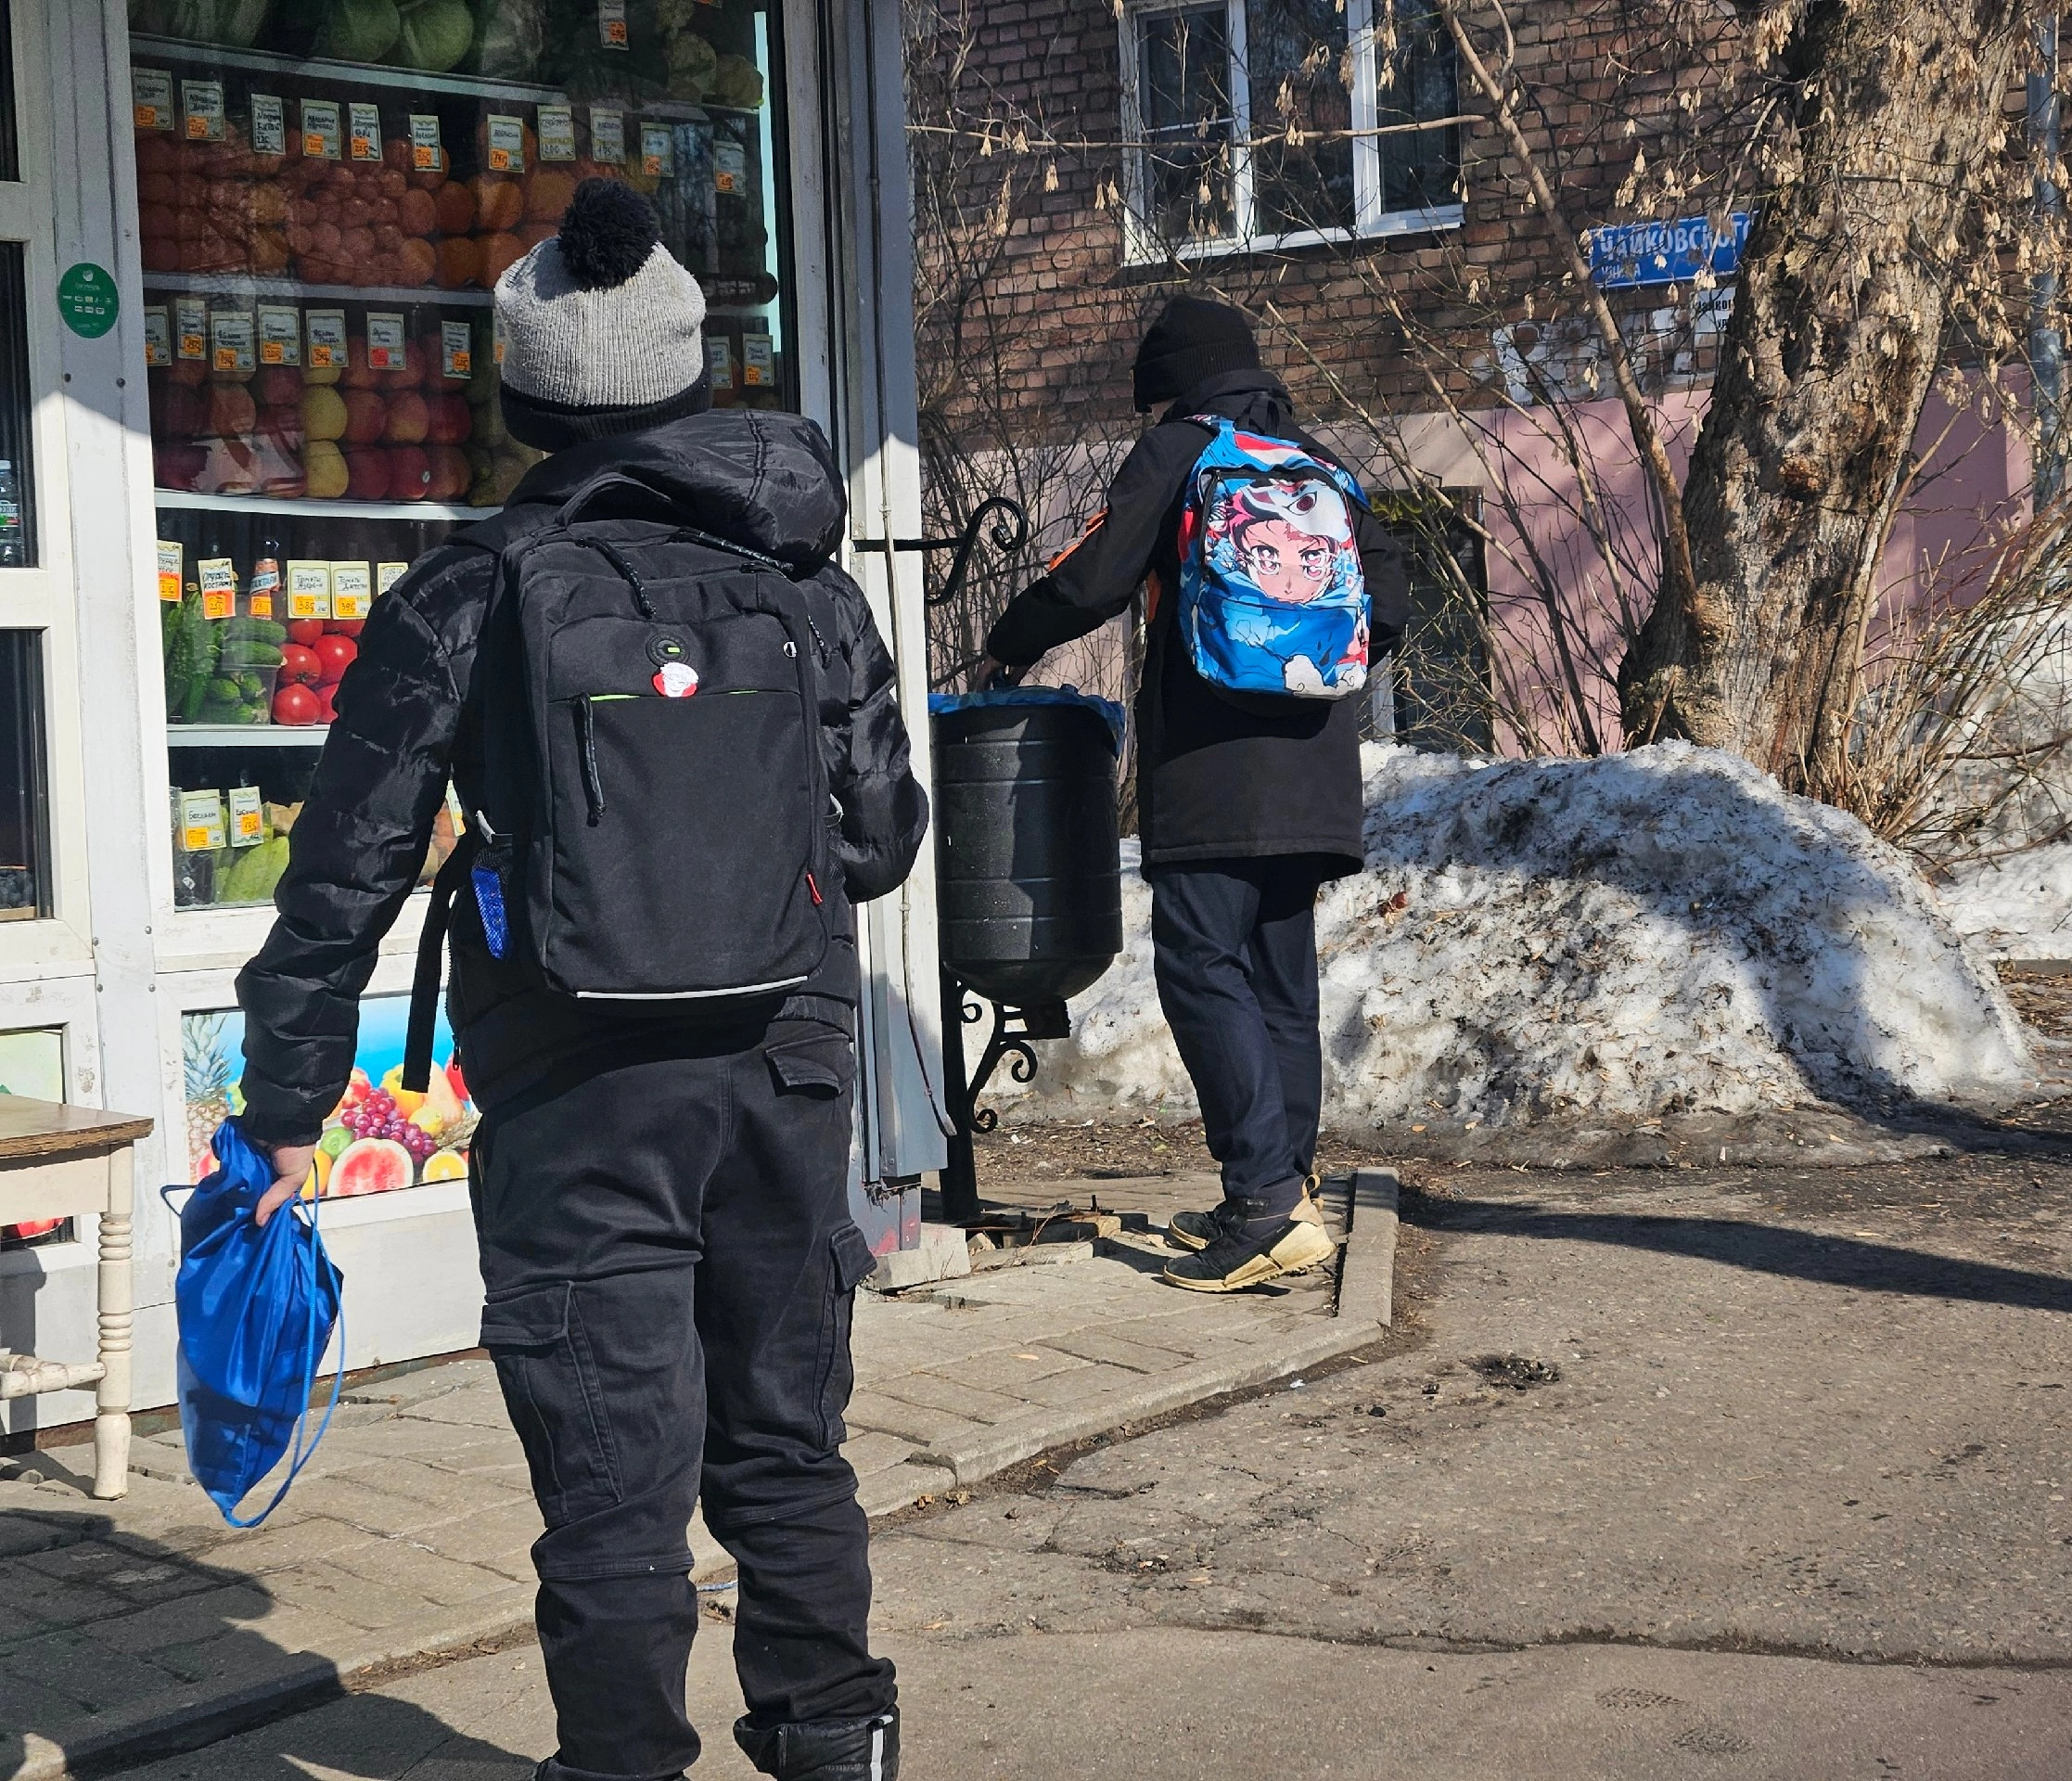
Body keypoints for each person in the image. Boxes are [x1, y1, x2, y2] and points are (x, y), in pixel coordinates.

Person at [233, 181, 927, 1781]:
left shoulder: (469, 592)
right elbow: (883, 838)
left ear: (526, 393)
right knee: (783, 1447)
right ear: (688, 372)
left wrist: (284, 1107)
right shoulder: (806, 580)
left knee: (616, 1481)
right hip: (785, 1065)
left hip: (571, 1087)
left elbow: (342, 871)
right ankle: (837, 1744)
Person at [977, 296, 1409, 1293]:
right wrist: (1305, 673)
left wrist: (1010, 639)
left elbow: (1091, 580)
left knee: (1203, 969)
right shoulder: (1319, 464)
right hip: (1313, 765)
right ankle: (1283, 1193)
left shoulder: (1180, 452)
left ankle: (1261, 1205)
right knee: (1279, 980)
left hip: (1212, 770)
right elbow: (1389, 604)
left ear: (1170, 381)